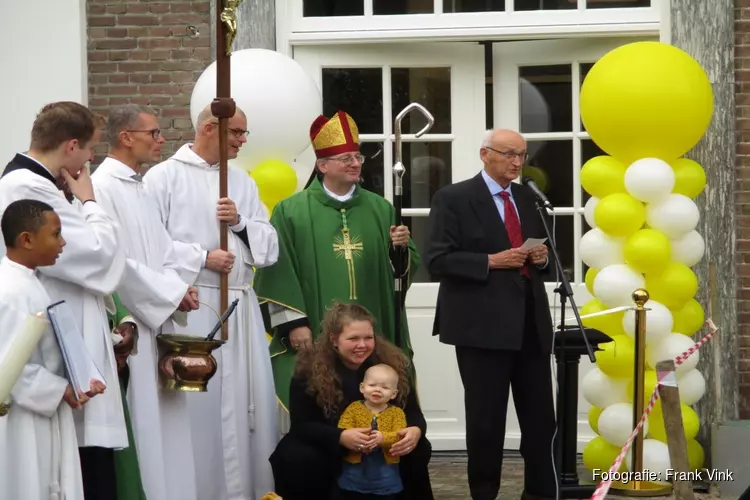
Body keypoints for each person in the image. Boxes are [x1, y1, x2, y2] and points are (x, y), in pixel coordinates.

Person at [143, 104, 280, 500]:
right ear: (208, 128)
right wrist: (201, 257)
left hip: (238, 304)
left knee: (245, 407)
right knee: (198, 412)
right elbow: (149, 244)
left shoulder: (242, 181)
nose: (242, 140)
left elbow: (269, 248)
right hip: (192, 306)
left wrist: (238, 223)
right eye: (236, 132)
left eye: (244, 133)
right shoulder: (163, 178)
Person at [0, 101, 129, 500]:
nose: (91, 159)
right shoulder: (27, 187)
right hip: (41, 363)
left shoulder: (40, 183)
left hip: (55, 345)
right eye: (90, 149)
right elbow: (97, 255)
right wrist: (89, 201)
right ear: (71, 145)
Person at [254, 110, 420, 410]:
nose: (355, 163)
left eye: (357, 157)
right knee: (322, 402)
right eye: (346, 158)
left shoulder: (381, 208)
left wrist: (401, 249)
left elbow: (403, 271)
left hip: (374, 326)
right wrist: (295, 324)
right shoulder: (291, 211)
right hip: (315, 326)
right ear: (323, 165)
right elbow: (277, 270)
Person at [424, 128, 556, 500]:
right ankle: (484, 494)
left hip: (529, 326)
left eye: (522, 155)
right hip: (480, 328)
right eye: (509, 154)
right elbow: (437, 259)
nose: (517, 162)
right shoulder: (453, 198)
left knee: (541, 421)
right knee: (486, 422)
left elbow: (547, 255)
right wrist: (490, 261)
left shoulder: (529, 199)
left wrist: (543, 259)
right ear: (485, 154)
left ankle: (541, 493)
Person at [91, 104, 206, 500]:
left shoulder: (137, 185)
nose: (161, 141)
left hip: (160, 318)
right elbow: (116, 263)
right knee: (145, 424)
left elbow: (161, 249)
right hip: (134, 326)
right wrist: (171, 292)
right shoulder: (102, 188)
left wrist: (181, 287)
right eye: (153, 134)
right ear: (126, 137)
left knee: (170, 424)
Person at [269, 301, 433, 500]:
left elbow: (413, 411)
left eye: (368, 338)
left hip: (384, 441)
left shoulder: (391, 364)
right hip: (330, 442)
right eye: (353, 338)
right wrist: (340, 437)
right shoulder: (309, 369)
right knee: (295, 455)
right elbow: (303, 425)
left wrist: (415, 430)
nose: (362, 345)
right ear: (334, 339)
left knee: (419, 447)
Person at [0, 199, 102, 500]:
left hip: (39, 411)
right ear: (27, 239)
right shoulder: (10, 291)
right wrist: (61, 390)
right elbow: (7, 368)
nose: (63, 242)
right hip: (20, 420)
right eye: (56, 234)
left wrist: (74, 379)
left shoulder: (27, 281)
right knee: (27, 484)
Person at [337, 363, 407, 499]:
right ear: (362, 388)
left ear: (393, 394)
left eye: (385, 387)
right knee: (353, 493)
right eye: (372, 385)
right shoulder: (354, 408)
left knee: (384, 494)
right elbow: (344, 427)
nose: (377, 390)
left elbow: (400, 435)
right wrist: (357, 441)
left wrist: (383, 438)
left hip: (384, 468)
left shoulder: (396, 413)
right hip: (356, 465)